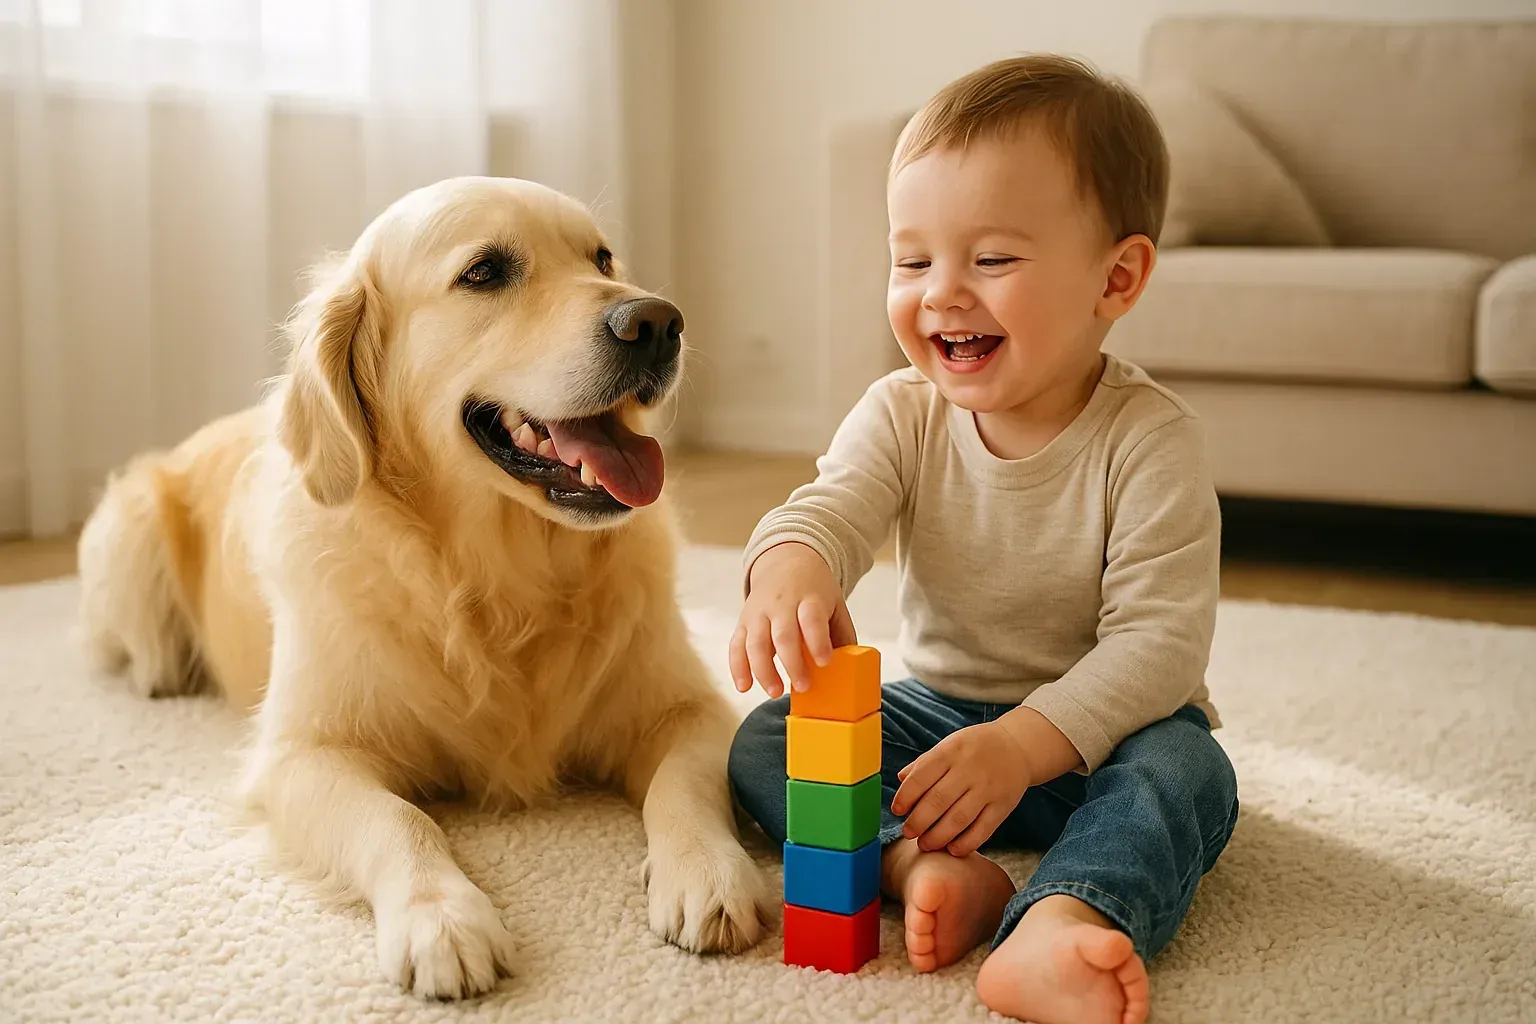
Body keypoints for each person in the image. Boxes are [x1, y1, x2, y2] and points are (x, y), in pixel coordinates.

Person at [725, 54, 1240, 1024]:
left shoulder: (1151, 439)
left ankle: (1062, 915)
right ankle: (918, 863)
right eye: (912, 261)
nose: (942, 294)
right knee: (769, 738)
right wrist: (786, 562)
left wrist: (1025, 742)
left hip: (1105, 737)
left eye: (992, 260)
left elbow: (1159, 645)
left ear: (1116, 278)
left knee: (1190, 775)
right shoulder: (901, 412)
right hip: (943, 730)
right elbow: (829, 506)